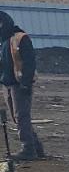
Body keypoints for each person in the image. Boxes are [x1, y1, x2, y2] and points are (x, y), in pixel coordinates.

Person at [0, 10, 44, 160]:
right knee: (17, 117)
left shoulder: (20, 38)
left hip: (19, 84)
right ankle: (36, 147)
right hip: (8, 84)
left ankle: (28, 149)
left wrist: (25, 83)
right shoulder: (4, 41)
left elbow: (30, 62)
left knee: (21, 117)